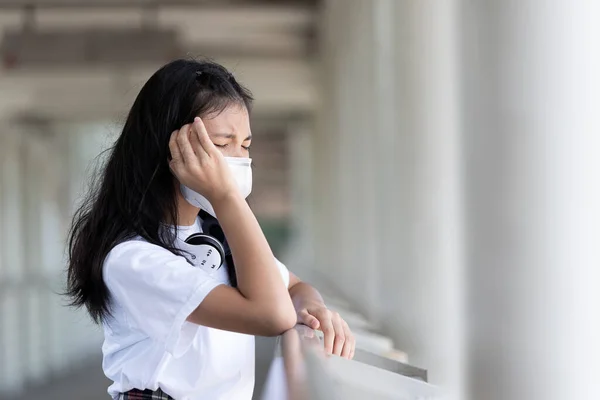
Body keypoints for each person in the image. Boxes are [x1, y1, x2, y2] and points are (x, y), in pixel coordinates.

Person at [66, 59, 355, 400]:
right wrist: (226, 197)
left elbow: (293, 286)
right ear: (170, 149)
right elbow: (272, 314)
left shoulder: (213, 233)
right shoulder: (133, 258)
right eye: (221, 144)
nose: (237, 158)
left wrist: (314, 310)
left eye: (245, 145)